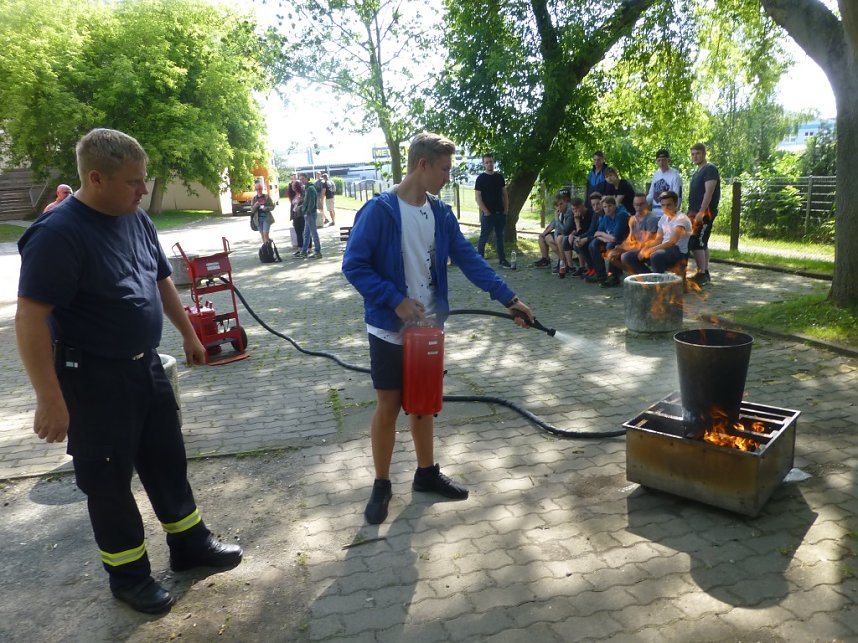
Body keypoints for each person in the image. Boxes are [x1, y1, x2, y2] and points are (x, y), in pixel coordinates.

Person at [15, 128, 242, 615]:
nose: (143, 190)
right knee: (108, 483)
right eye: (133, 182)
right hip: (92, 380)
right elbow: (30, 317)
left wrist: (189, 334)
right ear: (96, 178)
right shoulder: (58, 234)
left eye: (144, 180)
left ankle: (189, 545)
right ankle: (129, 577)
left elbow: (161, 279)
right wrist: (49, 398)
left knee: (167, 461)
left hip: (146, 366)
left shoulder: (135, 217)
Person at [342, 132, 534, 525]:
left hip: (428, 331)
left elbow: (470, 261)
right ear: (422, 165)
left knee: (424, 403)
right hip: (388, 329)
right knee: (389, 405)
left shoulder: (441, 213)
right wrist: (394, 300)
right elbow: (354, 265)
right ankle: (382, 484)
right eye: (445, 169)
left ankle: (426, 474)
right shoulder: (380, 210)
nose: (449, 177)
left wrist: (509, 298)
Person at [623, 190, 691, 274]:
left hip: (678, 251)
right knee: (628, 256)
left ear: (676, 204)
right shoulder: (664, 218)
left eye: (669, 205)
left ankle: (658, 280)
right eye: (663, 205)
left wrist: (651, 250)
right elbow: (658, 239)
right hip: (664, 249)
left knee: (655, 255)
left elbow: (671, 243)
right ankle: (648, 278)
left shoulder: (681, 219)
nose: (665, 208)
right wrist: (645, 249)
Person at [687, 143, 721, 286]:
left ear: (704, 154)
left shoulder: (710, 169)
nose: (695, 157)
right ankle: (704, 272)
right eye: (693, 154)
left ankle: (701, 274)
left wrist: (701, 212)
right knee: (702, 242)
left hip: (704, 212)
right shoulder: (697, 172)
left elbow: (709, 192)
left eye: (698, 153)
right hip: (693, 211)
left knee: (696, 242)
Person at [608, 193, 659, 278]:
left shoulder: (652, 219)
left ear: (646, 204)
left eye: (641, 204)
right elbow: (630, 238)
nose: (639, 207)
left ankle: (649, 278)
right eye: (636, 205)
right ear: (633, 205)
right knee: (611, 255)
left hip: (649, 248)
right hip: (636, 247)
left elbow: (649, 242)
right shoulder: (632, 219)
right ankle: (637, 277)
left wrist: (626, 249)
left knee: (625, 256)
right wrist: (621, 246)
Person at [474, 153, 511, 269]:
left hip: (500, 213)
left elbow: (505, 194)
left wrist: (506, 209)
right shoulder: (480, 179)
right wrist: (486, 211)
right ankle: (480, 262)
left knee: (500, 237)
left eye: (491, 162)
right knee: (483, 238)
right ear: (484, 164)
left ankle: (502, 260)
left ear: (493, 162)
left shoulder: (499, 177)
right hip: (487, 215)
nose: (489, 164)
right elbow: (478, 197)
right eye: (487, 162)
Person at [584, 195, 630, 285]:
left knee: (610, 246)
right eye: (605, 207)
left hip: (624, 241)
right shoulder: (606, 217)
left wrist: (603, 235)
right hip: (611, 240)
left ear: (615, 206)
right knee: (593, 244)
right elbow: (597, 233)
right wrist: (604, 236)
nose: (607, 209)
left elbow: (615, 237)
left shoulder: (621, 215)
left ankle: (613, 276)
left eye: (610, 206)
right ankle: (600, 274)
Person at [533, 191, 575, 276]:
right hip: (560, 233)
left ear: (566, 201)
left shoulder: (569, 211)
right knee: (544, 237)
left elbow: (565, 230)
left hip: (568, 234)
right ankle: (546, 260)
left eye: (561, 204)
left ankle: (564, 263)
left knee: (557, 239)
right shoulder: (559, 212)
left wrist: (556, 218)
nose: (559, 207)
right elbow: (552, 225)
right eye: (557, 205)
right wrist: (543, 234)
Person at [573, 192, 604, 278]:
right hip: (596, 236)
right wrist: (580, 237)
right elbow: (591, 230)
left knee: (592, 244)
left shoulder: (605, 214)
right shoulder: (595, 214)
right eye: (593, 205)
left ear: (602, 203)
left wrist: (587, 239)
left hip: (604, 238)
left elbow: (603, 233)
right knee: (578, 243)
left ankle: (600, 272)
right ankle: (591, 268)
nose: (596, 207)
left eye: (598, 204)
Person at [646, 149, 683, 216]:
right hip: (654, 213)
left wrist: (673, 213)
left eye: (664, 160)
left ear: (668, 160)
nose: (661, 163)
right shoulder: (656, 175)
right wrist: (643, 204)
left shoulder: (675, 176)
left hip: (668, 213)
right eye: (659, 160)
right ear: (656, 162)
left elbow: (678, 197)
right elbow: (651, 194)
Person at [295, 172, 321, 258]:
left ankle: (318, 252)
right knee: (306, 234)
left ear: (307, 178)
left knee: (313, 233)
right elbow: (307, 202)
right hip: (308, 214)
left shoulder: (310, 188)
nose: (301, 181)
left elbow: (312, 203)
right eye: (300, 179)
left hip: (310, 214)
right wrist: (301, 207)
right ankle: (304, 252)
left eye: (303, 179)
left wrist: (306, 212)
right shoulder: (308, 188)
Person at [287, 172, 307, 249]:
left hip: (302, 215)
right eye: (292, 185)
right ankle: (300, 247)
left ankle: (309, 247)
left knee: (305, 231)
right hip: (295, 215)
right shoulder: (293, 195)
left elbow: (305, 204)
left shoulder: (303, 194)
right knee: (298, 232)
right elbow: (292, 205)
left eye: (294, 185)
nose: (292, 187)